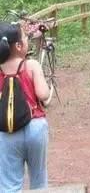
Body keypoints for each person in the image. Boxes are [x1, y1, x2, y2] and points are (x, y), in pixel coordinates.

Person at [0, 22, 50, 192]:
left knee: (9, 183)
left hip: (7, 132)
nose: (27, 39)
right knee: (39, 180)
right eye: (25, 37)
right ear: (19, 46)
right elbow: (43, 94)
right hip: (35, 127)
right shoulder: (31, 65)